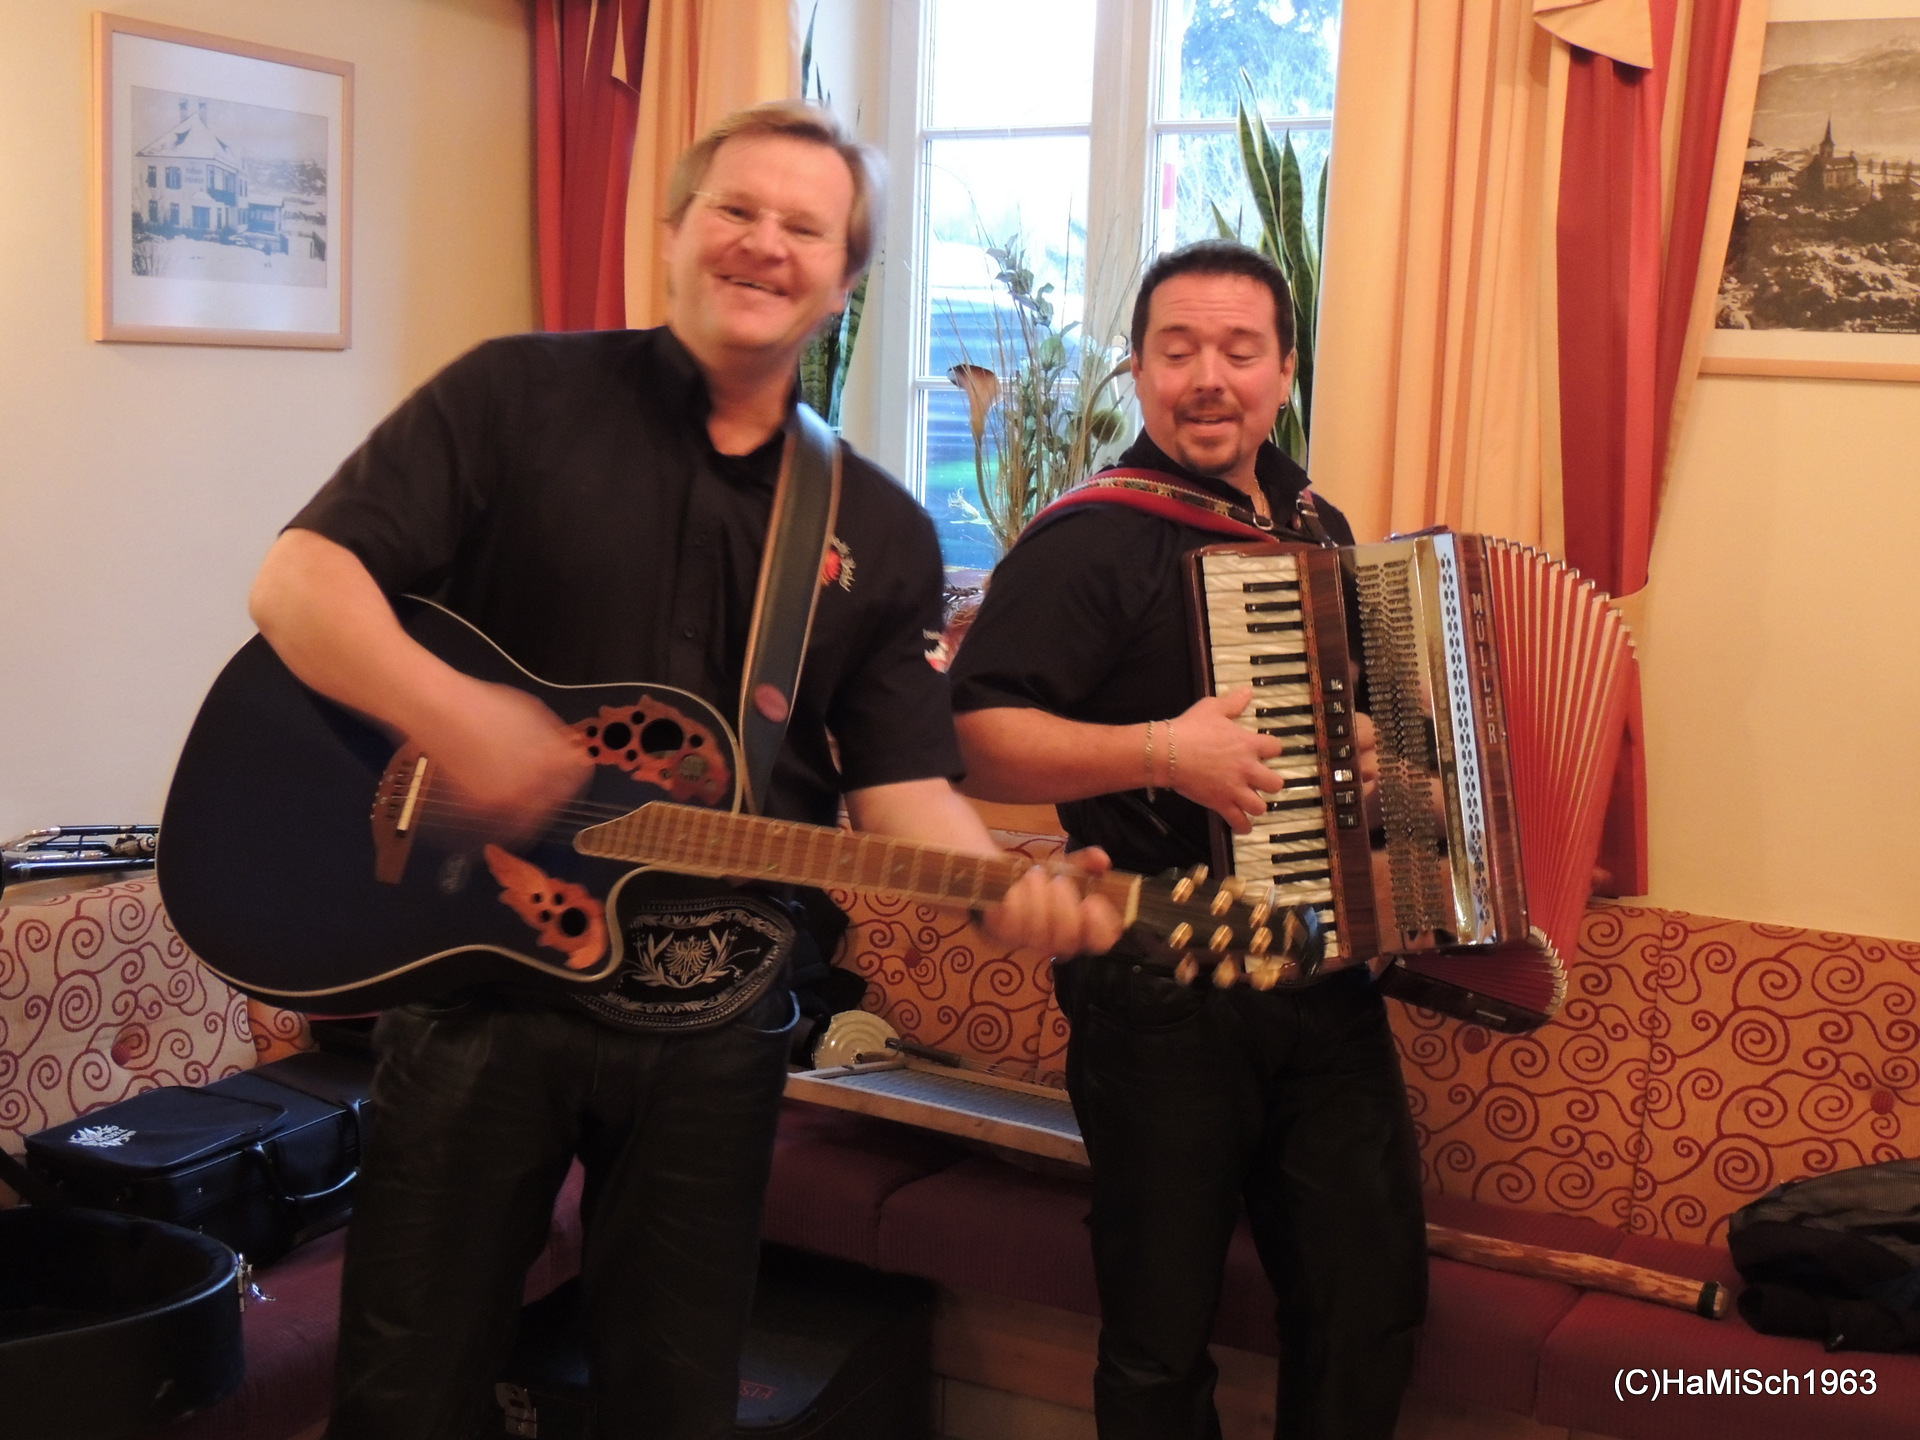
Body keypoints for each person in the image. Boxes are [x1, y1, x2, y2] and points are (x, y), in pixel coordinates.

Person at [247, 101, 1121, 1440]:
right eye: (738, 210)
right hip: (481, 987)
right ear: (670, 232)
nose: (766, 244)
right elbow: (299, 582)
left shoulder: (877, 529)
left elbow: (901, 789)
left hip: (714, 1022)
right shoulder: (511, 398)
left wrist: (1004, 889)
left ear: (843, 279)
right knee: (404, 1394)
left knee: (675, 1404)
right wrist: (458, 717)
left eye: (805, 228)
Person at [948, 240, 1427, 1440]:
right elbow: (975, 740)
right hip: (1163, 990)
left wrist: (1362, 754)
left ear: (1285, 371)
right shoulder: (1088, 538)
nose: (1209, 377)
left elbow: (1332, 730)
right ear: (1138, 369)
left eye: (1240, 350)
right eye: (1179, 350)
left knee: (1367, 1306)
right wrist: (1163, 753)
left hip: (1321, 972)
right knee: (1160, 1341)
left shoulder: (1316, 521)